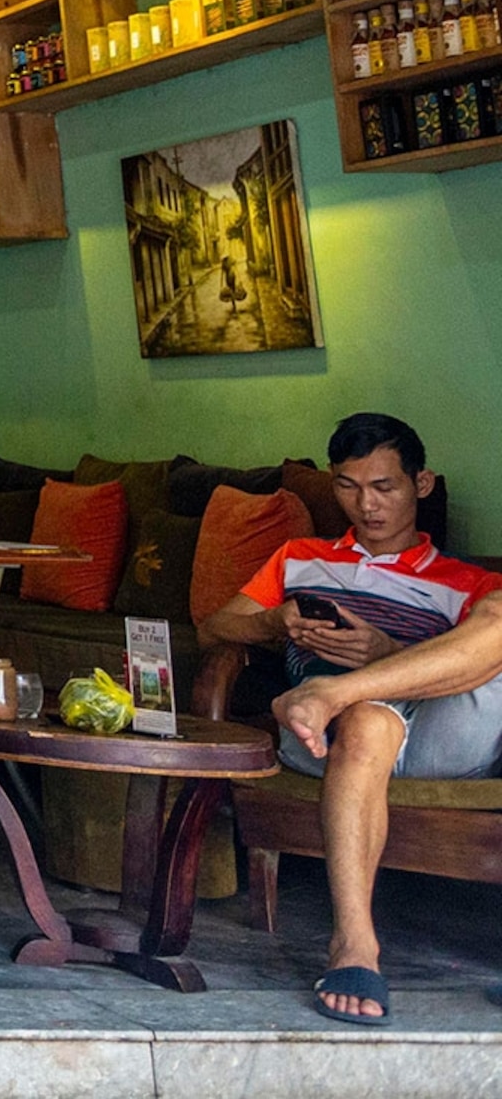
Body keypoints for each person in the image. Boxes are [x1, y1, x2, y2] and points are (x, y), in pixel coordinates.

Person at [198, 412, 501, 1025]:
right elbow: (213, 627)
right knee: (367, 722)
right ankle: (354, 944)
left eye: (384, 486)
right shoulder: (299, 558)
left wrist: (388, 655)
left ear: (422, 484)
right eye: (347, 485)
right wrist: (273, 621)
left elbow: (477, 661)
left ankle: (337, 693)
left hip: (439, 725)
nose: (366, 505)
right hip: (328, 736)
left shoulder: (465, 579)